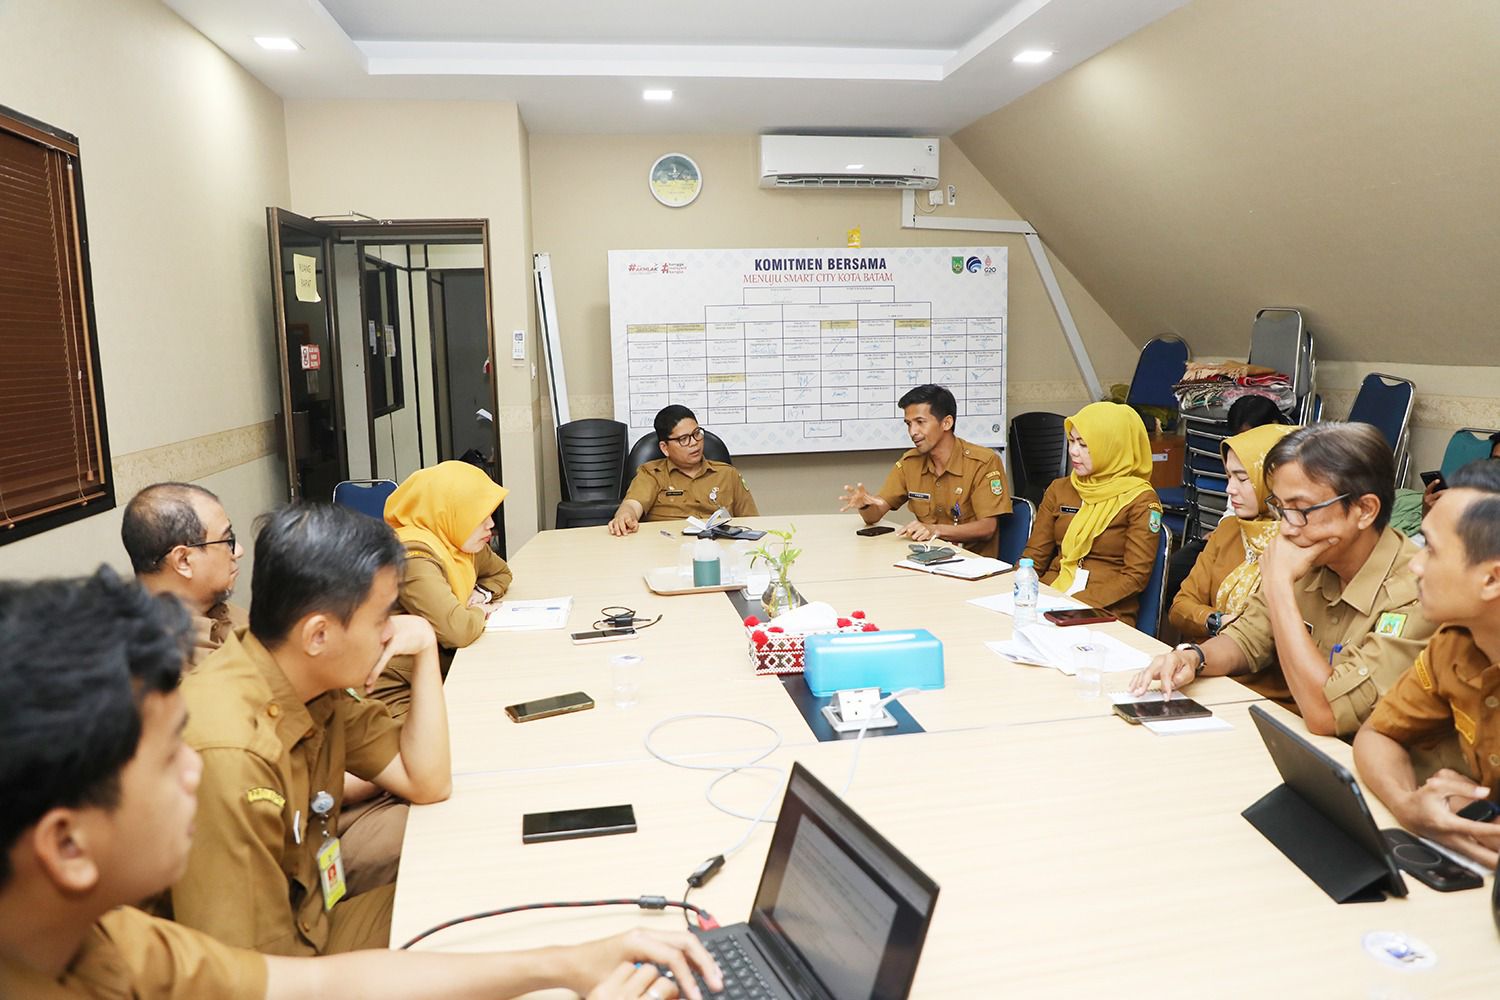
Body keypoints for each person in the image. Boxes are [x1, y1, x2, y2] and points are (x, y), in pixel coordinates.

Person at [0, 569, 720, 999]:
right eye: (165, 758)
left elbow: (308, 986)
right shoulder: (227, 754)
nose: (192, 763)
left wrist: (568, 962)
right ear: (66, 845)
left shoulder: (108, 938)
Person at [165, 503, 451, 956]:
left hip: (315, 922)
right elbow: (237, 974)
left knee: (469, 899)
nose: (388, 633)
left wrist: (425, 649)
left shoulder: (311, 682)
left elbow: (428, 780)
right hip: (272, 966)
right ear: (318, 635)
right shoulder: (230, 751)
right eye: (381, 619)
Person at [1131, 422, 1436, 736]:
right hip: (1295, 738)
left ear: (1365, 510)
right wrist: (1195, 658)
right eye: (1280, 507)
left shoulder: (1418, 592)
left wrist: (1278, 585)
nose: (1287, 528)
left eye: (1301, 509)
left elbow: (1327, 715)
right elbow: (1248, 638)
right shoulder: (1315, 552)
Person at [1353, 460, 1500, 867]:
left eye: (1431, 550)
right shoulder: (1455, 642)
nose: (1414, 564)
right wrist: (1409, 805)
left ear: (1492, 579)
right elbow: (1377, 735)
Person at [377, 461, 512, 715]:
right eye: (479, 515)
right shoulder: (413, 556)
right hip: (397, 693)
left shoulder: (457, 541)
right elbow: (457, 630)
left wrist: (481, 593)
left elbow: (502, 573)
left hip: (438, 673)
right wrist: (481, 611)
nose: (491, 524)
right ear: (449, 512)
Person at [1018, 401, 1163, 625]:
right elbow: (1034, 557)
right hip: (1050, 596)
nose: (1073, 451)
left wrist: (1074, 602)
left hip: (1104, 609)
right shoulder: (1060, 489)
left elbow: (1135, 577)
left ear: (1111, 447)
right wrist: (1017, 591)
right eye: (1072, 441)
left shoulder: (1141, 499)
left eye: (1084, 445)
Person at [838, 384, 1010, 556]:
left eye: (920, 422)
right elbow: (874, 515)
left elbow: (987, 528)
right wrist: (866, 506)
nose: (913, 432)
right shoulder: (909, 463)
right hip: (927, 560)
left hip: (973, 565)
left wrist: (934, 529)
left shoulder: (983, 461)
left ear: (946, 423)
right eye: (908, 424)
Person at [1162, 396, 1290, 625]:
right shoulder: (1229, 530)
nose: (1229, 489)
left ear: (1273, 478)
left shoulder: (1299, 543)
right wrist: (1217, 622)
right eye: (1229, 477)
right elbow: (1180, 607)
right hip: (1207, 654)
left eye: (1242, 478)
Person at [122, 482, 246, 667]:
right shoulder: (169, 672)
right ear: (183, 561)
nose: (238, 551)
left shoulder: (221, 610)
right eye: (227, 540)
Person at [609, 405, 758, 535]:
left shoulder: (728, 474)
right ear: (665, 448)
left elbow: (752, 523)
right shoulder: (652, 474)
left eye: (696, 433)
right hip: (667, 550)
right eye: (684, 439)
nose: (694, 443)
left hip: (719, 550)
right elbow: (632, 505)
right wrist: (624, 516)